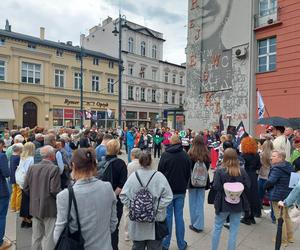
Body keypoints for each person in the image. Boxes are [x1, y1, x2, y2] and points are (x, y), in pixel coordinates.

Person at [54, 148, 118, 250]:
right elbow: (113, 224)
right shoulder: (107, 187)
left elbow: (58, 233)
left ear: (73, 166)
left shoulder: (64, 196)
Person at [120, 152, 173, 250]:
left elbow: (123, 195)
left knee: (137, 246)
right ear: (151, 161)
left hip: (137, 222)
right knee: (155, 246)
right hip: (155, 220)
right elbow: (169, 196)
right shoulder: (159, 176)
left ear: (139, 162)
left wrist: (134, 207)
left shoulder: (133, 176)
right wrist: (156, 207)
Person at [211, 148, 250, 250]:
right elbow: (247, 186)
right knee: (234, 230)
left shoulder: (220, 170)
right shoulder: (241, 170)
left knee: (217, 227)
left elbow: (216, 186)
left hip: (223, 203)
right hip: (237, 203)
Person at [23, 145, 61, 250]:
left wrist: (34, 196)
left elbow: (25, 188)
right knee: (49, 236)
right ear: (52, 156)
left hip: (34, 206)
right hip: (49, 207)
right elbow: (54, 190)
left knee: (36, 236)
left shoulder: (32, 168)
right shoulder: (54, 168)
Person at [158, 135, 191, 250]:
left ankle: (165, 244)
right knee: (179, 216)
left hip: (167, 191)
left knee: (167, 216)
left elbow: (160, 173)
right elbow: (188, 172)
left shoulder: (165, 155)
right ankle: (181, 244)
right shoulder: (185, 155)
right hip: (180, 190)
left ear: (171, 142)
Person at [264, 150, 294, 246]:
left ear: (280, 158)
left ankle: (283, 240)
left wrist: (265, 186)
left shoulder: (277, 168)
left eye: (274, 156)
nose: (271, 158)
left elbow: (271, 181)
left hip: (277, 196)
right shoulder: (288, 165)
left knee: (280, 218)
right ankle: (290, 237)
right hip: (287, 194)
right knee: (287, 217)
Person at [102, 139, 127, 250]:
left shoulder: (100, 162)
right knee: (114, 228)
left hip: (100, 198)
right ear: (117, 149)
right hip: (115, 200)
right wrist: (112, 196)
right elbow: (122, 185)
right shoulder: (121, 164)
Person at [188, 135, 210, 233]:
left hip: (192, 182)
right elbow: (207, 167)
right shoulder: (206, 154)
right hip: (203, 181)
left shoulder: (190, 153)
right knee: (200, 203)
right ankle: (199, 224)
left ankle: (194, 223)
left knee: (192, 203)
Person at [240, 136, 262, 224]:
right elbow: (259, 166)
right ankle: (252, 216)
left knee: (245, 196)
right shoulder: (256, 155)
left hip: (245, 175)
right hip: (253, 176)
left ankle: (246, 217)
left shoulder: (243, 155)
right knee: (253, 196)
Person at [124, 148, 142, 241]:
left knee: (127, 212)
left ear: (132, 155)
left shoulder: (129, 165)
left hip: (130, 191)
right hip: (140, 191)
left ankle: (127, 234)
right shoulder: (142, 164)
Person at [19, 142, 36, 228]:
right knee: (29, 201)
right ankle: (28, 219)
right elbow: (30, 171)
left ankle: (23, 219)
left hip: (22, 181)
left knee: (24, 200)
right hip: (28, 181)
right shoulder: (31, 158)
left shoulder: (22, 157)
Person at [0, 149, 12, 249]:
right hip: (1, 191)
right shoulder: (1, 156)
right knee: (1, 216)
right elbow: (7, 173)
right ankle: (0, 242)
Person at [9, 143, 23, 212]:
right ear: (19, 150)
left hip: (12, 176)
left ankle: (12, 207)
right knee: (19, 192)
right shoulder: (19, 157)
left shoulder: (12, 156)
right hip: (18, 177)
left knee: (14, 192)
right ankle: (18, 208)